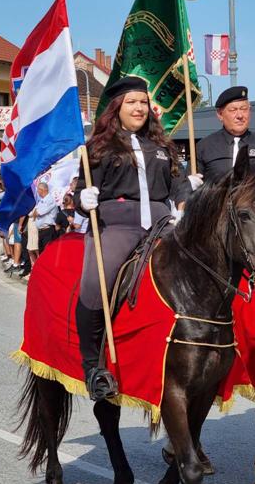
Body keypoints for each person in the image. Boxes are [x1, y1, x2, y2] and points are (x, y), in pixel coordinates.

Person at [74, 77, 196, 401]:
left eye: (143, 102)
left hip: (163, 224)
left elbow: (180, 187)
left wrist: (184, 208)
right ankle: (92, 367)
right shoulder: (98, 148)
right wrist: (83, 199)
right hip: (117, 226)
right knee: (94, 285)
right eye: (132, 102)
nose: (139, 108)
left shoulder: (164, 147)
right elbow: (80, 192)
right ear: (117, 108)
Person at [195, 86, 255, 183]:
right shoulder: (205, 147)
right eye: (233, 110)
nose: (240, 116)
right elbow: (188, 186)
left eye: (244, 109)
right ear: (220, 114)